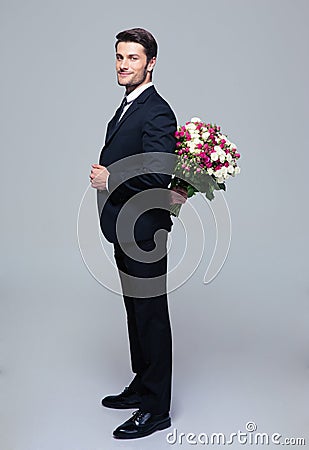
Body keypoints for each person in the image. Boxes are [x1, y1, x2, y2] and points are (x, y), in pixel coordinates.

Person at [89, 27, 186, 440]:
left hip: (145, 229)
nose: (123, 65)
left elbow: (158, 172)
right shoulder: (130, 104)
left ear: (151, 62)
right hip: (124, 226)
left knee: (150, 316)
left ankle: (156, 409)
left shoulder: (157, 110)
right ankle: (140, 385)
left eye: (132, 58)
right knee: (135, 311)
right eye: (119, 57)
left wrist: (111, 179)